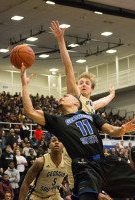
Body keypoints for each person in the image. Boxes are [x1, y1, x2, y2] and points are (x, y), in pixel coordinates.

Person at [20, 64, 135, 200]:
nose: (62, 97)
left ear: (76, 102)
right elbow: (30, 111)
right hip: (85, 167)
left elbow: (112, 131)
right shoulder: (57, 121)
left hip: (105, 162)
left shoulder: (90, 115)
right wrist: (24, 85)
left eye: (66, 96)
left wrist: (122, 129)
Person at [50, 20, 116, 195]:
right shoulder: (75, 98)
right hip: (75, 154)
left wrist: (111, 95)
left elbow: (101, 103)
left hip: (91, 154)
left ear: (92, 89)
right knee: (80, 192)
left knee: (95, 192)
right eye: (80, 83)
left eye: (87, 83)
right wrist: (61, 41)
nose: (83, 85)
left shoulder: (90, 105)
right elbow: (68, 69)